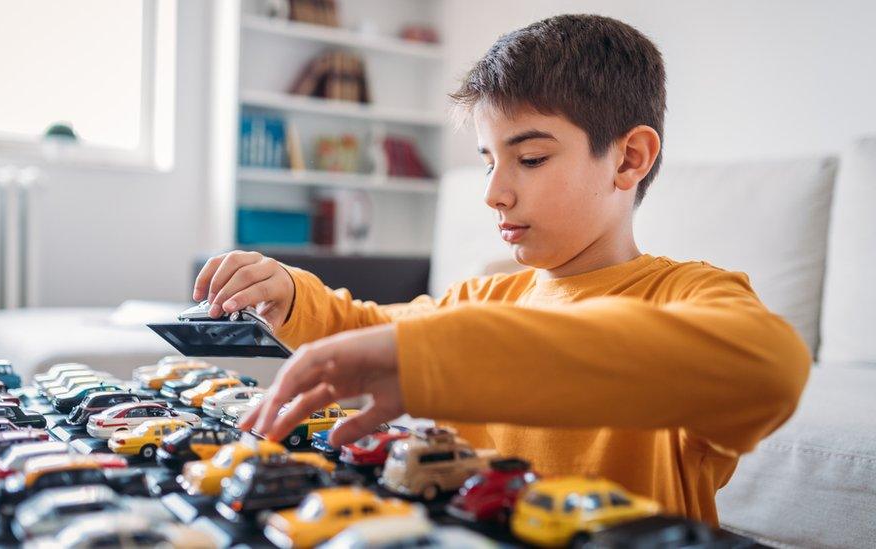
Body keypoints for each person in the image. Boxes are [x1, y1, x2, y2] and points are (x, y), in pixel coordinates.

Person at [192, 14, 810, 524]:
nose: (493, 193)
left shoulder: (686, 294)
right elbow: (363, 330)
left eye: (531, 158)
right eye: (489, 161)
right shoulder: (481, 299)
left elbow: (770, 367)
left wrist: (445, 358)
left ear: (629, 159)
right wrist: (288, 293)